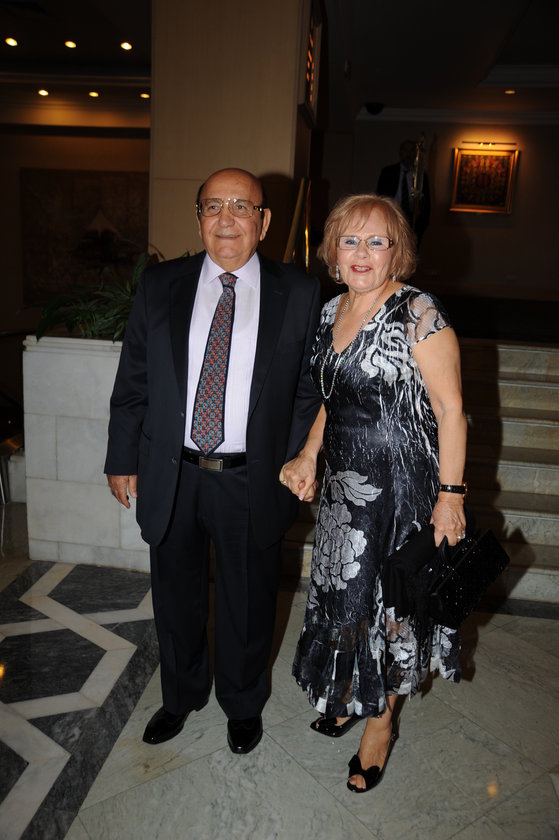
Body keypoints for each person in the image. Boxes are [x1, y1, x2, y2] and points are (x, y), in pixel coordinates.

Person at [105, 167, 321, 755]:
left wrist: (296, 458)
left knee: (248, 601)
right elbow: (133, 379)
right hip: (171, 473)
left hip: (252, 477)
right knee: (175, 595)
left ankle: (243, 704)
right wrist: (121, 456)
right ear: (198, 217)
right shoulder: (161, 285)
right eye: (213, 206)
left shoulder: (299, 292)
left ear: (264, 222)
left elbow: (309, 389)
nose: (226, 218)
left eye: (241, 206)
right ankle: (180, 696)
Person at [280, 193, 467, 792]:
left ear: (397, 252)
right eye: (350, 240)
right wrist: (308, 454)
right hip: (344, 488)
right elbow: (331, 400)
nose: (362, 252)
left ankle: (380, 725)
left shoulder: (419, 312)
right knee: (344, 597)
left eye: (376, 241)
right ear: (333, 251)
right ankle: (349, 692)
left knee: (389, 606)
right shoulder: (331, 309)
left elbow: (452, 410)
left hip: (401, 490)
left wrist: (451, 496)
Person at [376, 139, 430, 246]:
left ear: (415, 154)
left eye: (411, 151)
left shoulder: (421, 176)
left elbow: (427, 204)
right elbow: (378, 197)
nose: (408, 154)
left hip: (411, 222)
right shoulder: (388, 172)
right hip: (391, 217)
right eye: (405, 150)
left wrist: (420, 226)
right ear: (400, 152)